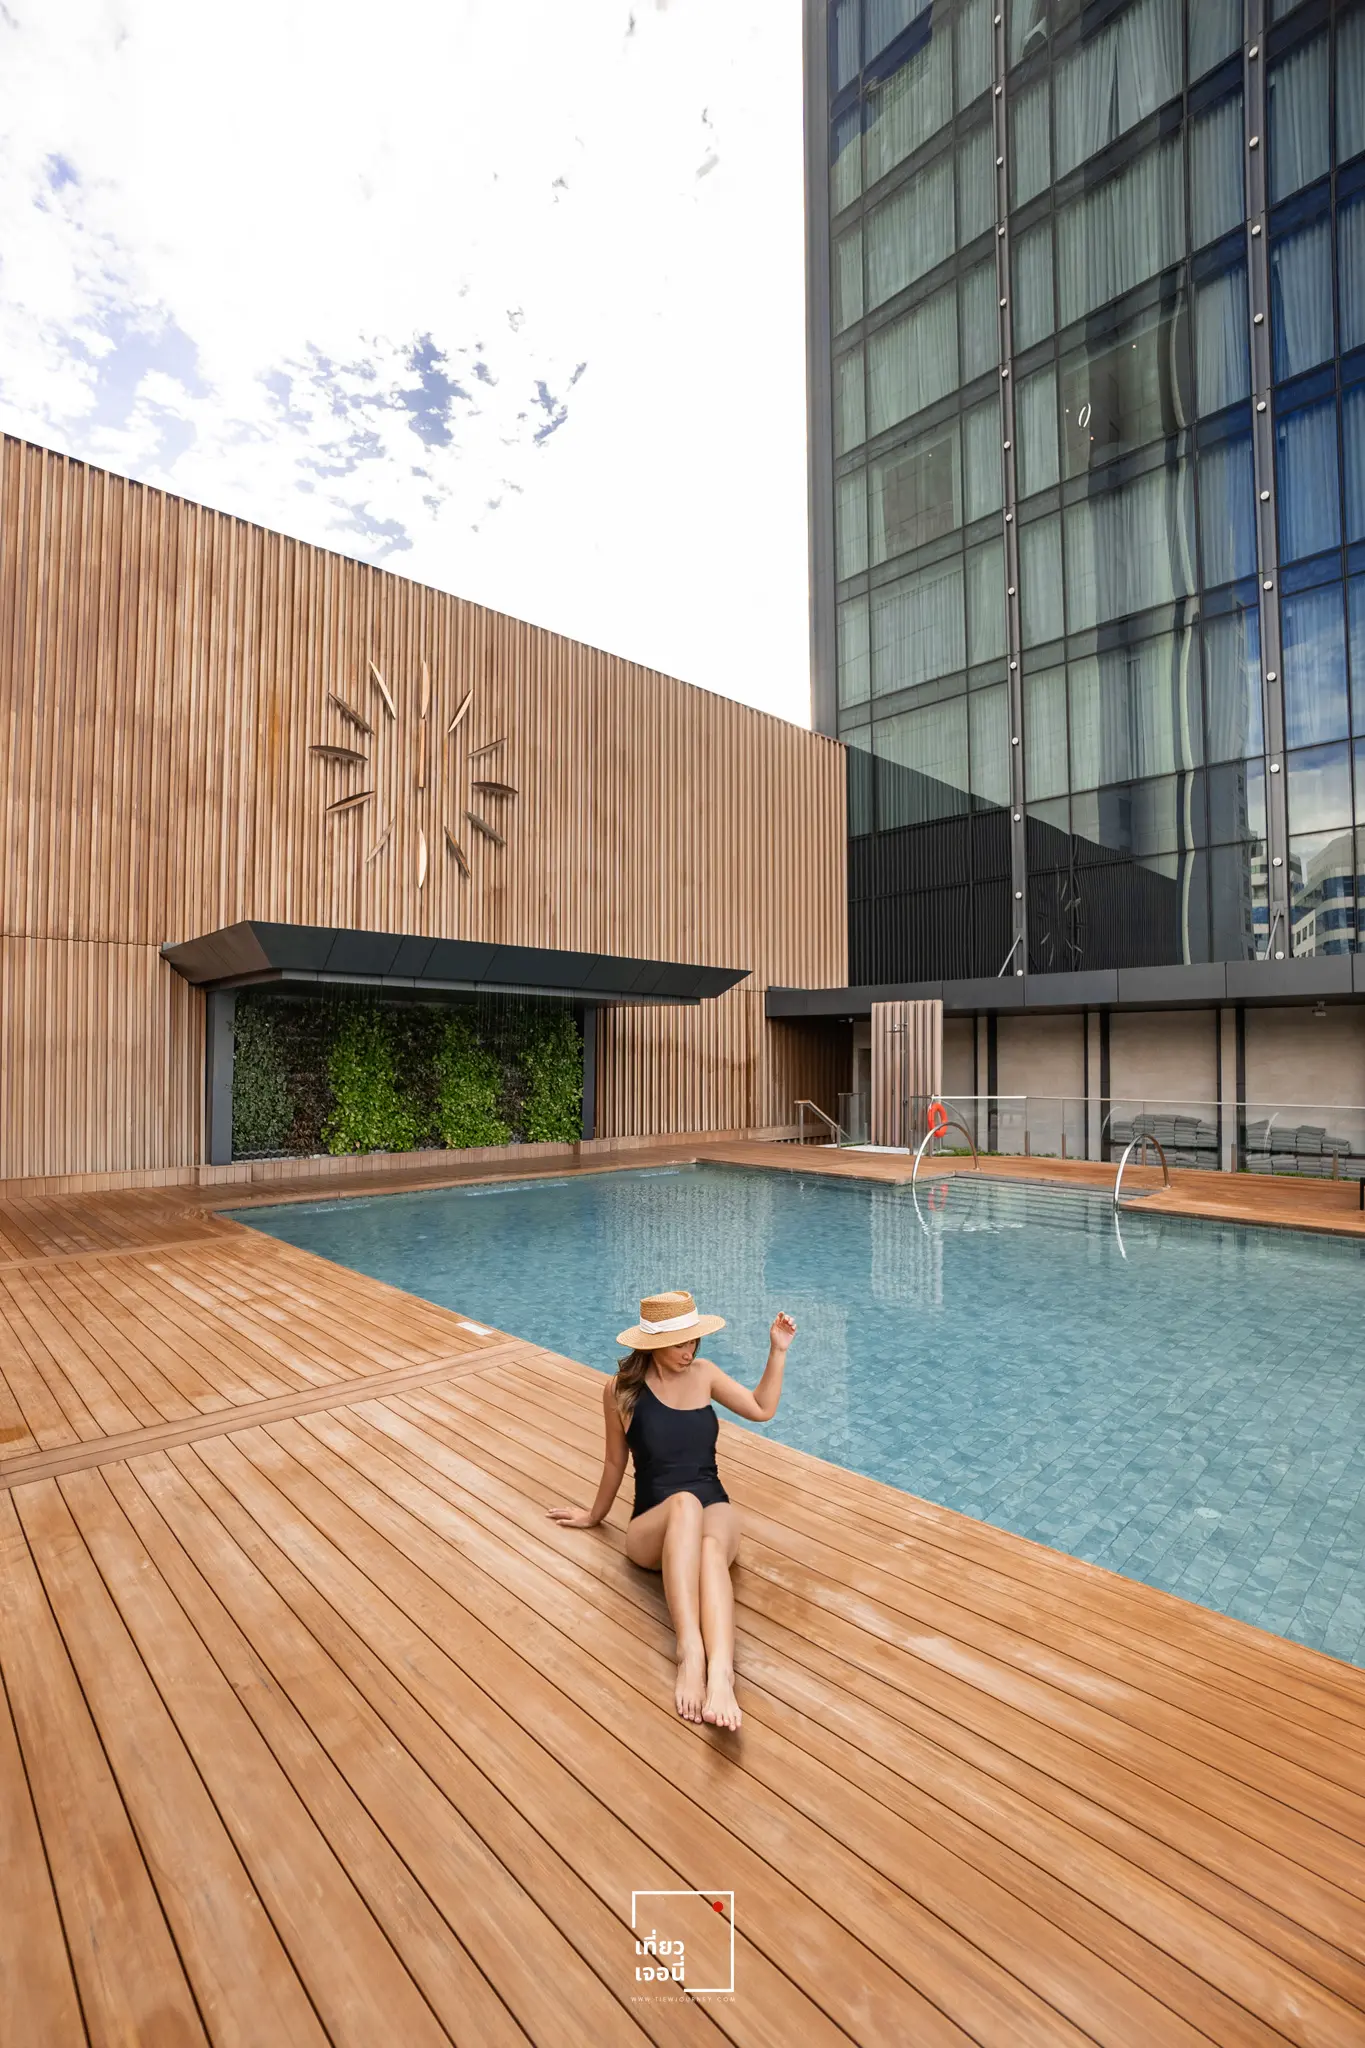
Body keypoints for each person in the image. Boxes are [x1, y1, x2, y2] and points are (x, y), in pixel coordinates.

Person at [547, 1288, 797, 1731]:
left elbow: (761, 1408)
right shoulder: (620, 1391)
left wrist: (777, 1351)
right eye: (681, 1342)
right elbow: (613, 1462)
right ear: (652, 1345)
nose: (690, 1350)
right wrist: (593, 1515)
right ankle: (690, 1652)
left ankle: (721, 1672)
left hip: (711, 1498)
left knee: (710, 1546)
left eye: (694, 1340)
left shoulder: (704, 1374)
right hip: (653, 1525)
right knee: (684, 1504)